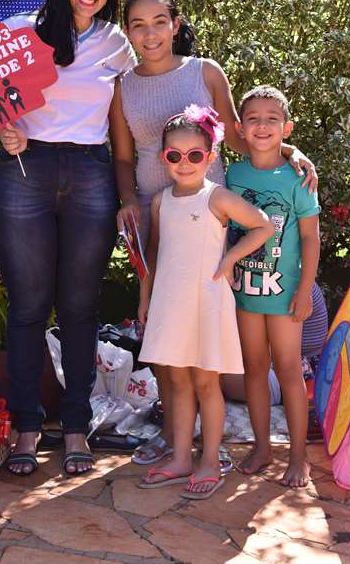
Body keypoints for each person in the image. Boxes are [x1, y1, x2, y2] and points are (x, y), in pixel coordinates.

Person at [109, 0, 318, 466]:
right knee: (162, 329)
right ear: (128, 32)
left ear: (175, 24)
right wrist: (129, 201)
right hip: (157, 215)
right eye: (137, 25)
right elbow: (121, 157)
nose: (150, 33)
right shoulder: (123, 86)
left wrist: (289, 150)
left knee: (208, 328)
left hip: (212, 216)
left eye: (159, 22)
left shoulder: (204, 71)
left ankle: (210, 440)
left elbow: (242, 138)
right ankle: (172, 434)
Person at [0, 0, 135, 476]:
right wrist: (2, 129)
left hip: (91, 173)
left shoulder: (117, 44)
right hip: (24, 173)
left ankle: (74, 428)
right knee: (27, 307)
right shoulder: (18, 31)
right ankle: (27, 428)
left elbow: (138, 113)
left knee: (79, 308)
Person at [136, 108, 274, 499]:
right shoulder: (161, 201)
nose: (185, 163)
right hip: (170, 302)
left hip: (206, 301)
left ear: (210, 157)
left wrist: (230, 259)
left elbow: (263, 225)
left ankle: (210, 460)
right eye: (174, 155)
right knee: (178, 382)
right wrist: (145, 296)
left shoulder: (217, 197)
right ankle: (181, 457)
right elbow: (155, 252)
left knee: (206, 383)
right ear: (164, 157)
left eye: (195, 155)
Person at [226, 85, 321, 488]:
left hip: (284, 295)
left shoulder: (298, 178)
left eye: (272, 119)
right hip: (245, 292)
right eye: (253, 119)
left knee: (288, 369)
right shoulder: (233, 174)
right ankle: (262, 447)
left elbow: (311, 238)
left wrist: (304, 291)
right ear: (240, 128)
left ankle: (299, 457)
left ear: (287, 128)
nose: (262, 126)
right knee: (254, 369)